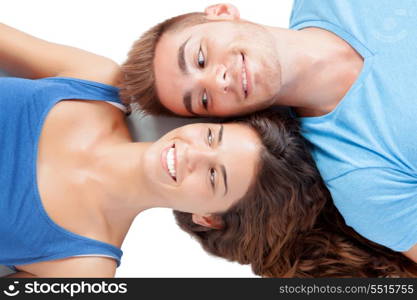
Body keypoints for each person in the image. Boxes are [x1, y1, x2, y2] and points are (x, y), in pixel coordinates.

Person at [1, 24, 415, 279]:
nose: (193, 155)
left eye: (214, 177)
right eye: (212, 139)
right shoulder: (94, 82)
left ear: (207, 217)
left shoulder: (84, 267)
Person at [120, 1, 417, 264]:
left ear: (221, 13)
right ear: (223, 116)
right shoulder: (362, 179)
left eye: (199, 58)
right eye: (204, 98)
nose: (218, 79)